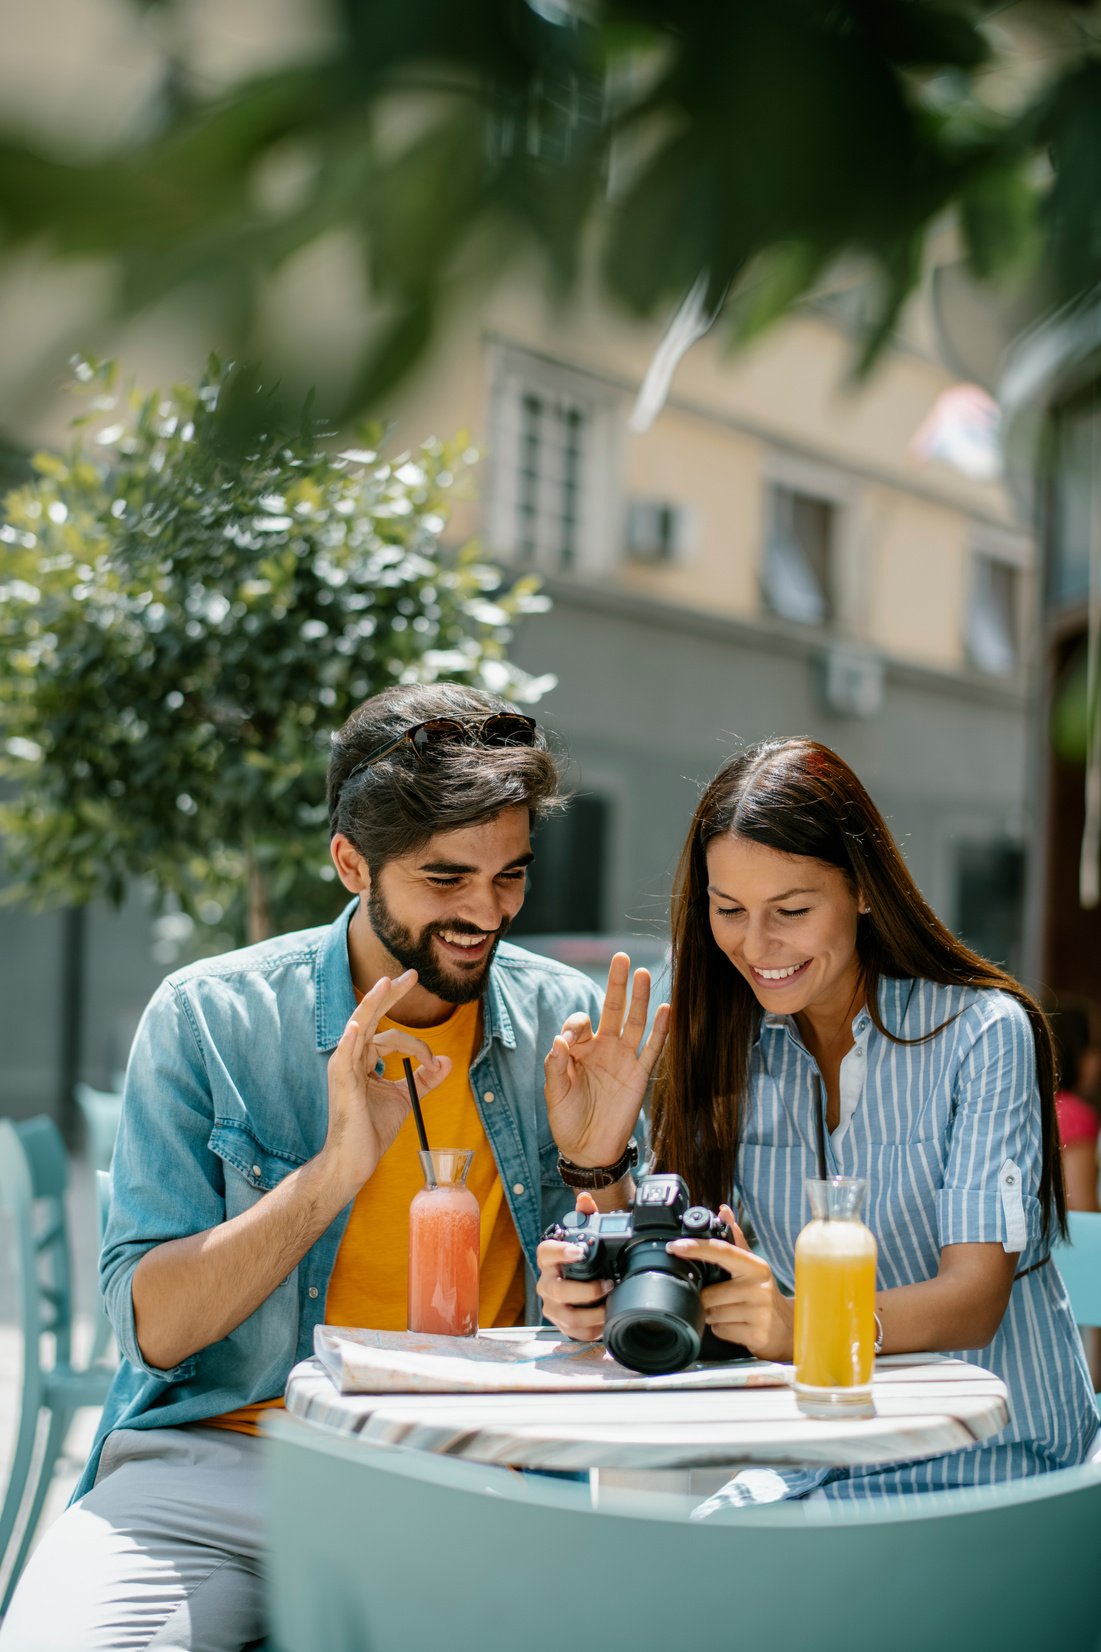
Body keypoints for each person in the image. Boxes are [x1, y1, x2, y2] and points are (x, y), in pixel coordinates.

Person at [1, 682, 663, 1652]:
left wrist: (598, 1161)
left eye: (511, 874)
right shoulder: (210, 1019)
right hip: (222, 1467)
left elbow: (621, 1324)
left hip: (483, 1477)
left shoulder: (561, 1026)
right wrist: (335, 1170)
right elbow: (157, 1329)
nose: (487, 912)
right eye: (445, 879)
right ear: (351, 861)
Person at [537, 736, 1100, 1503]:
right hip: (819, 1463)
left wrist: (795, 1324)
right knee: (652, 1565)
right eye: (727, 909)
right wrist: (601, 1172)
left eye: (792, 911)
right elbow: (684, 1274)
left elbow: (973, 1299)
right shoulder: (730, 1047)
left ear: (863, 890)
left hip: (997, 1473)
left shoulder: (981, 1032)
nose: (756, 945)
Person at [1049, 998, 1101, 1212]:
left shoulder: (1036, 1103)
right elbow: (1082, 1207)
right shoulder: (1074, 1114)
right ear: (1072, 1050)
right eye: (1092, 1046)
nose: (1097, 1059)